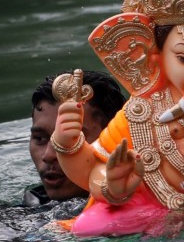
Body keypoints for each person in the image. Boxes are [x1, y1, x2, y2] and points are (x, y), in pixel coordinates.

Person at [25, 70, 126, 207]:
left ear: (115, 140)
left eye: (73, 138)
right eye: (40, 138)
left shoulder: (156, 202)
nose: (48, 155)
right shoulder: (12, 220)